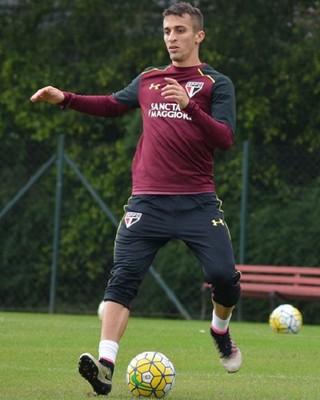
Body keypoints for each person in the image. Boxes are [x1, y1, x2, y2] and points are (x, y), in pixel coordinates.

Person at [30, 2, 242, 396]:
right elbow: (112, 105)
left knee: (224, 279)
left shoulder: (216, 83)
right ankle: (106, 366)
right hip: (147, 202)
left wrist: (189, 107)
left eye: (180, 30)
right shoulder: (149, 79)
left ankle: (220, 330)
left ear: (199, 36)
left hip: (197, 201)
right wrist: (65, 98)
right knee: (123, 279)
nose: (172, 38)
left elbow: (225, 139)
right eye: (166, 31)